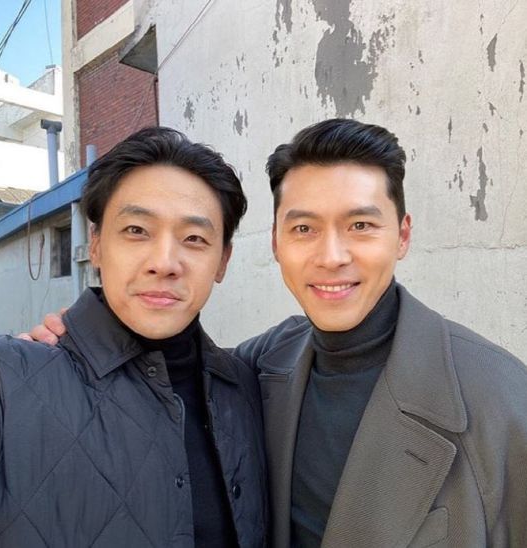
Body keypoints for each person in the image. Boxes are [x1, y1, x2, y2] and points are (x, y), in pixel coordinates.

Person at [27, 119, 527, 547]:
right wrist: (77, 340)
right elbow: (170, 366)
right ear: (275, 243)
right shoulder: (264, 364)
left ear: (403, 235)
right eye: (304, 229)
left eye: (360, 226)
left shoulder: (500, 398)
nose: (331, 256)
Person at [0, 127, 267, 548]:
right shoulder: (9, 381)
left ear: (222, 260)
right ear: (96, 244)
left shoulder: (246, 388)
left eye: (194, 238)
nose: (164, 262)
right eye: (137, 230)